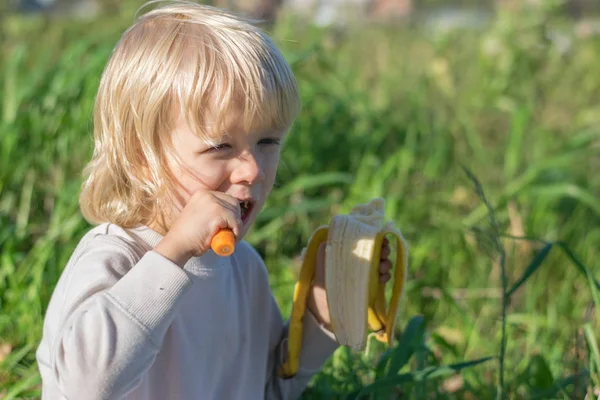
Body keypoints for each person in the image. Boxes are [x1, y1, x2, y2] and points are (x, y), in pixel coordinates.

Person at [35, 1, 394, 399]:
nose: (253, 169)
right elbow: (85, 386)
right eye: (221, 147)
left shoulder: (243, 271)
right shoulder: (114, 260)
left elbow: (268, 388)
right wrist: (173, 254)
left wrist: (323, 309)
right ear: (142, 158)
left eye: (268, 142)